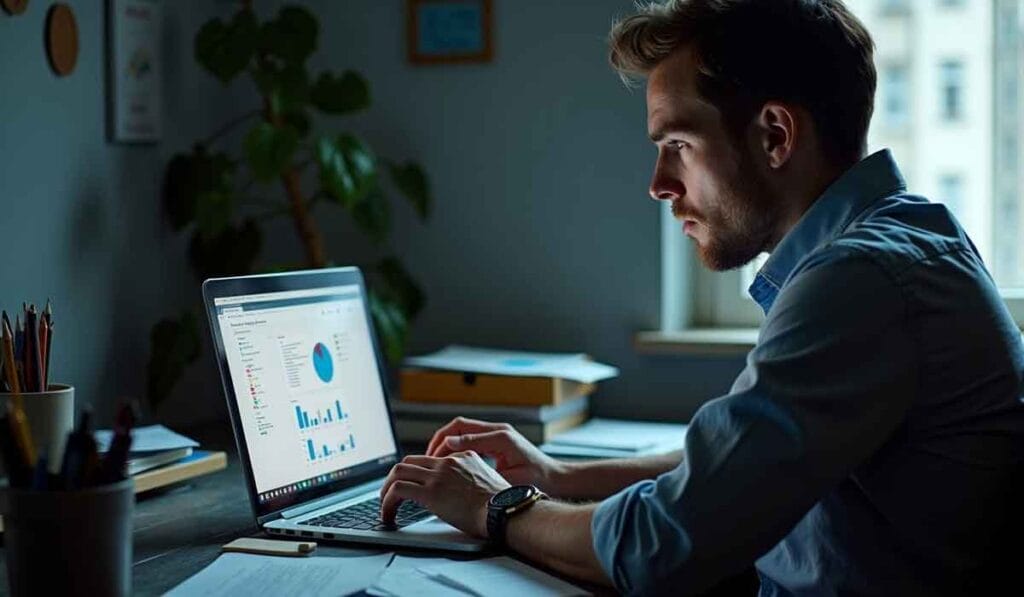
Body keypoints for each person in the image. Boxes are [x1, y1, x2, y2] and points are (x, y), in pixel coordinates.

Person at [379, 1, 1024, 594]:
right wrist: (558, 479)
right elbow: (735, 471)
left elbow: (666, 541)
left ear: (775, 135)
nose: (659, 184)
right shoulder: (902, 236)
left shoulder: (861, 281)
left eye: (678, 146)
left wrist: (495, 507)